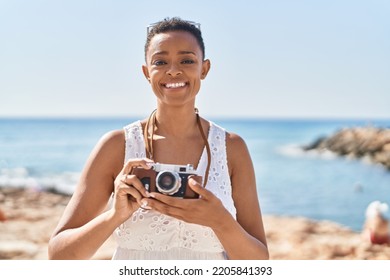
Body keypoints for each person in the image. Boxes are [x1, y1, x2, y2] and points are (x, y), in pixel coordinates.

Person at [48, 17, 269, 260]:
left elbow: (258, 262)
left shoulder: (231, 148)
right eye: (160, 61)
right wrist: (115, 216)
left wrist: (221, 221)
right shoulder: (117, 145)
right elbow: (59, 256)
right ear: (146, 72)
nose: (173, 70)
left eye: (187, 60)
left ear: (204, 69)